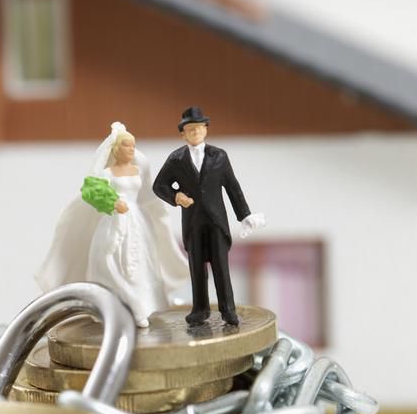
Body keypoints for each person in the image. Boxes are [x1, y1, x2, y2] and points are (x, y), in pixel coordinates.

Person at [36, 122, 190, 328]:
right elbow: (91, 190)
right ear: (116, 149)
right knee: (109, 261)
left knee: (138, 264)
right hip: (113, 221)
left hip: (136, 222)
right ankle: (107, 306)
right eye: (127, 145)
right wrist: (113, 202)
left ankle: (139, 307)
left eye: (133, 145)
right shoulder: (107, 173)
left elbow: (147, 194)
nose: (131, 149)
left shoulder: (137, 170)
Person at [152, 106, 266, 326]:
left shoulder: (219, 156)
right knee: (196, 268)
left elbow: (233, 187)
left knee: (221, 267)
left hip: (216, 222)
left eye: (199, 128)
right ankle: (200, 309)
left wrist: (244, 215)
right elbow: (159, 185)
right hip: (193, 222)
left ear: (206, 130)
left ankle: (228, 310)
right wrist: (176, 196)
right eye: (190, 129)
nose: (195, 133)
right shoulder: (176, 159)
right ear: (183, 134)